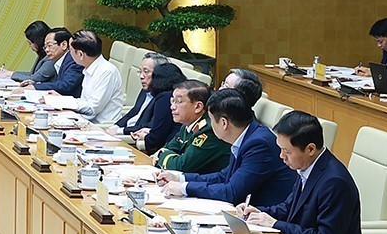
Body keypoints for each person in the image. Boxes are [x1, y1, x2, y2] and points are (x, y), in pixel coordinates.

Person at [240, 111, 363, 234]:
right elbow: (289, 208)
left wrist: (274, 224)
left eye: (287, 151)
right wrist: (258, 213)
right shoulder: (308, 166)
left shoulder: (334, 182)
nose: (281, 156)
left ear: (310, 149)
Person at [156, 89, 296, 207]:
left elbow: (231, 192)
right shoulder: (247, 135)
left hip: (266, 216)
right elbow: (224, 176)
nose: (210, 125)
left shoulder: (258, 144)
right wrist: (179, 177)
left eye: (211, 120)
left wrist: (184, 188)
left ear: (224, 123)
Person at [46, 33, 125, 123]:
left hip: (100, 126)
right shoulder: (89, 68)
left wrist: (63, 101)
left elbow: (92, 109)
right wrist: (61, 99)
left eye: (70, 51)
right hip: (84, 120)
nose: (69, 54)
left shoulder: (107, 72)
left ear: (80, 54)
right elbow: (85, 101)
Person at [153, 83, 228, 173]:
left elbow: (181, 166)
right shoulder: (188, 124)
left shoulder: (209, 130)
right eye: (172, 101)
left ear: (198, 107)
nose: (172, 107)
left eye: (179, 102)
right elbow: (169, 147)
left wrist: (161, 155)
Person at [124, 63, 188, 155]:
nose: (173, 106)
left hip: (168, 150)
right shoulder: (176, 94)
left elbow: (157, 137)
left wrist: (145, 137)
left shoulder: (164, 98)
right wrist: (148, 131)